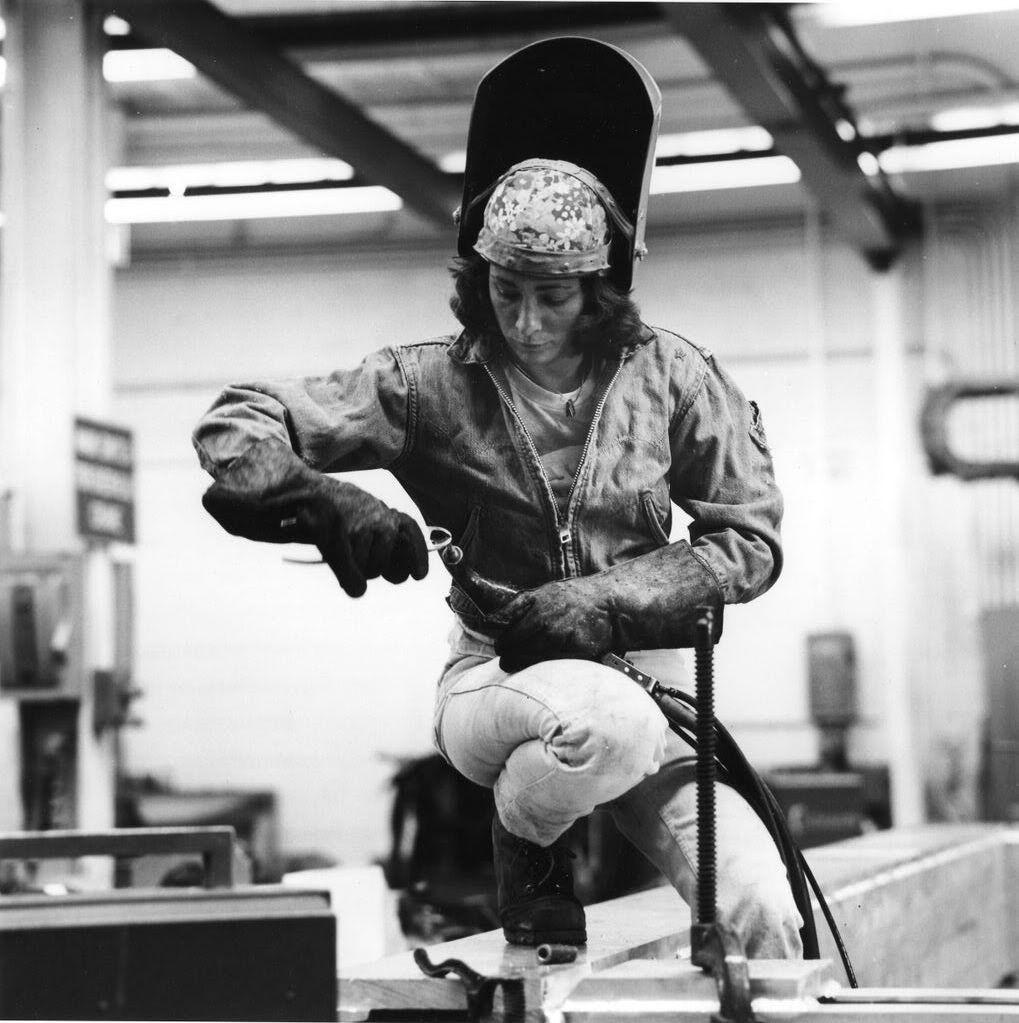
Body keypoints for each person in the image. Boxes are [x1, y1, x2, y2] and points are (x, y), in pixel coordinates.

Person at [192, 39, 803, 959]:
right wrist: (317, 496)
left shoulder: (674, 377)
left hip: (652, 682)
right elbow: (237, 420)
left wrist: (608, 598)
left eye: (552, 297)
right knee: (610, 723)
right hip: (494, 680)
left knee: (763, 908)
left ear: (600, 287)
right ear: (477, 279)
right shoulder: (426, 385)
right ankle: (526, 840)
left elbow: (748, 541)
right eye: (505, 291)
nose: (524, 321)